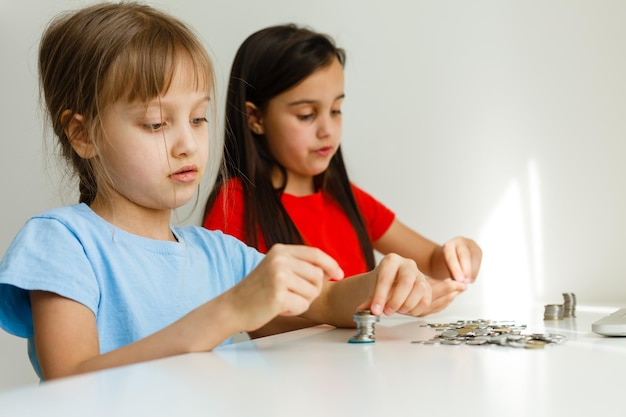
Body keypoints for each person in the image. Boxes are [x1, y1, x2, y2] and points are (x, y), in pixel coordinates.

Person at [0, 3, 432, 382]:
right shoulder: (61, 243)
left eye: (199, 118)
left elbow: (328, 300)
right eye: (156, 123)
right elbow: (71, 380)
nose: (187, 143)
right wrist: (229, 310)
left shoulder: (218, 254)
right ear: (82, 134)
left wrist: (382, 284)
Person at [203, 24, 483, 334]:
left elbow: (432, 259)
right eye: (306, 114)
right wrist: (353, 303)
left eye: (336, 110)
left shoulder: (345, 197)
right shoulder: (235, 202)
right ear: (255, 118)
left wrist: (457, 255)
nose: (327, 129)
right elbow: (229, 313)